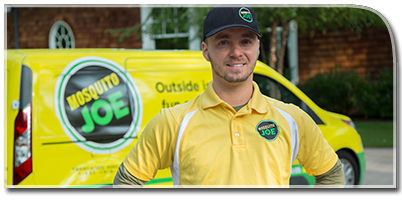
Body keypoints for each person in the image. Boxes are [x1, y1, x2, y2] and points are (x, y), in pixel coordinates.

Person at [113, 5, 344, 187]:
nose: (236, 52)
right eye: (223, 42)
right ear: (205, 50)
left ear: (257, 48)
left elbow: (332, 174)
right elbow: (127, 181)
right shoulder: (173, 122)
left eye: (246, 41)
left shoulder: (293, 119)